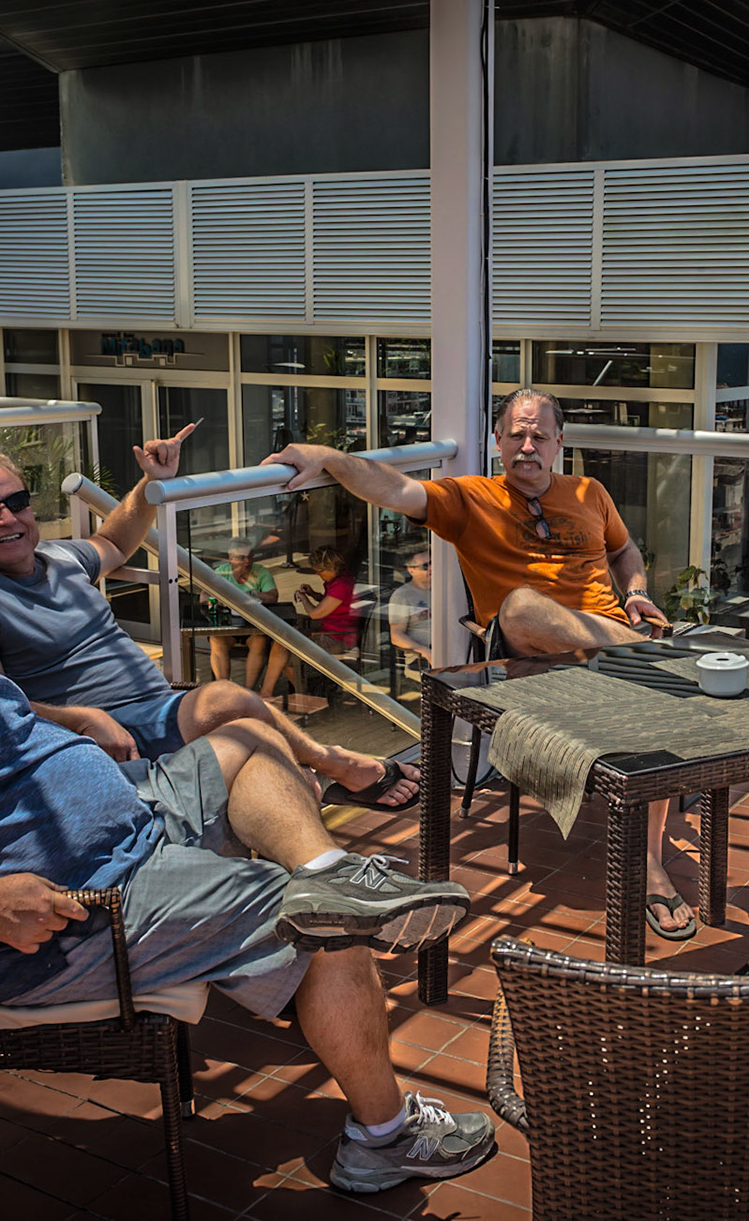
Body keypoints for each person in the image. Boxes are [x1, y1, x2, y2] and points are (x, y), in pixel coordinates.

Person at [0, 456, 496, 1193]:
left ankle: (331, 878)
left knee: (243, 744)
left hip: (125, 817)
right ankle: (383, 1138)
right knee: (327, 932)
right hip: (76, 911)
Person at [261, 389, 703, 940]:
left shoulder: (590, 491)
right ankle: (664, 658)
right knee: (520, 606)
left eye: (540, 436)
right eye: (516, 434)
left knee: (670, 702)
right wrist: (328, 456)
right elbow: (394, 488)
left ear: (558, 443)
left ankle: (649, 862)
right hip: (534, 659)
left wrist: (635, 592)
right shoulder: (470, 498)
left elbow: (623, 551)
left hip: (612, 647)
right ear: (497, 442)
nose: (527, 446)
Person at [0, 442, 417, 808]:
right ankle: (338, 768)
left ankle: (305, 879)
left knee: (261, 745)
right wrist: (80, 718)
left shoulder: (57, 558)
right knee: (236, 708)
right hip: (107, 737)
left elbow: (114, 542)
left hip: (159, 709)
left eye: (17, 501)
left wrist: (150, 482)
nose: (7, 517)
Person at [257, 545, 362, 699]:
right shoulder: (341, 578)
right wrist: (313, 594)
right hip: (332, 633)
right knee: (282, 645)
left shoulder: (342, 585)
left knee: (282, 650)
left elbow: (315, 613)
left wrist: (303, 597)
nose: (319, 575)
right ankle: (305, 694)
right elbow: (332, 603)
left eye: (320, 571)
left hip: (337, 638)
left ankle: (298, 695)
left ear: (331, 568)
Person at [208, 537, 278, 689]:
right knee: (216, 639)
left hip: (253, 626)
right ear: (231, 559)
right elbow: (204, 595)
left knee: (260, 640)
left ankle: (249, 691)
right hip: (229, 626)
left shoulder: (260, 572)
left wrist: (253, 594)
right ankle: (224, 689)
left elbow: (273, 596)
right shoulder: (222, 572)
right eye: (241, 558)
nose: (247, 562)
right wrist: (212, 600)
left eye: (250, 557)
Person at [385, 546, 434, 667]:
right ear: (411, 570)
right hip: (420, 660)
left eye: (432, 563)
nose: (431, 568)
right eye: (425, 566)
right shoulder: (402, 595)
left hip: (450, 652)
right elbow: (396, 636)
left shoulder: (443, 587)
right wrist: (424, 651)